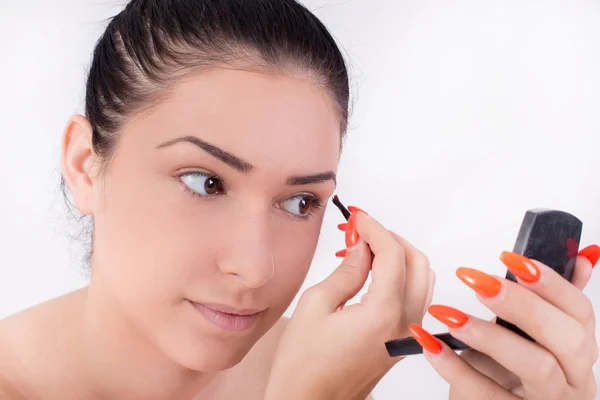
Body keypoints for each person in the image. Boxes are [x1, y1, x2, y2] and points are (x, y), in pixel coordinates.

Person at [0, 1, 597, 399]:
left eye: (299, 202)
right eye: (205, 182)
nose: (256, 268)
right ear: (85, 164)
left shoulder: (344, 362)